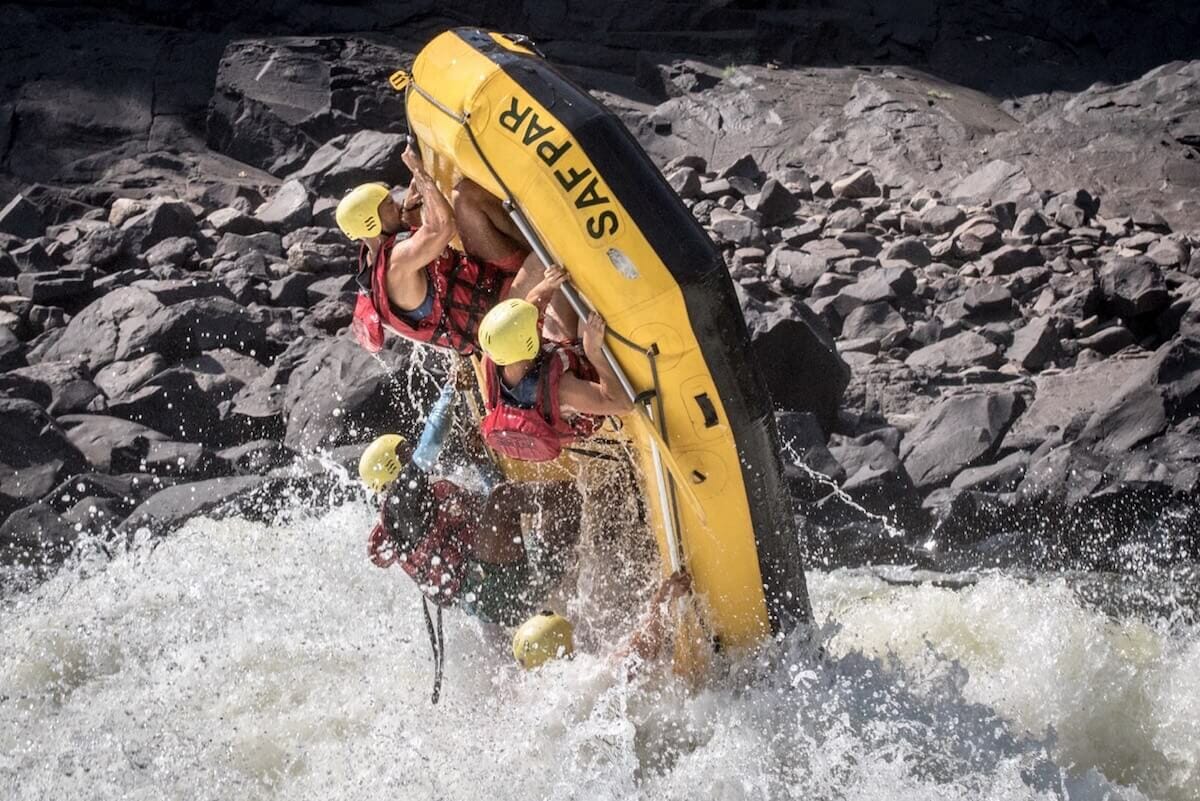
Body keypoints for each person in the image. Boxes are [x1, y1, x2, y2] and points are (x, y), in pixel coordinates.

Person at [359, 430, 583, 701]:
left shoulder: (430, 500)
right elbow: (501, 501)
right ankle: (580, 490)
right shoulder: (403, 526)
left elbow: (497, 510)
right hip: (491, 592)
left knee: (565, 513)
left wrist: (480, 461)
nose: (414, 456)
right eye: (406, 454)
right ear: (394, 474)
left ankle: (588, 501)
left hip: (501, 586)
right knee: (517, 499)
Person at [339, 142, 569, 355]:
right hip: (500, 319)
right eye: (389, 205)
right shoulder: (395, 264)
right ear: (373, 222)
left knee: (466, 196)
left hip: (490, 283)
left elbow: (422, 248)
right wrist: (420, 172)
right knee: (545, 257)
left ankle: (535, 235)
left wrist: (409, 210)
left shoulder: (374, 256)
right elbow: (442, 228)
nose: (397, 204)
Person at [475, 266, 633, 462]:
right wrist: (594, 352)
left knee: (567, 284)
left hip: (547, 369)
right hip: (578, 401)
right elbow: (622, 403)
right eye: (535, 326)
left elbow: (530, 307)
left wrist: (548, 284)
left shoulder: (493, 358)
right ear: (530, 342)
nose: (538, 321)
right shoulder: (564, 389)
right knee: (592, 310)